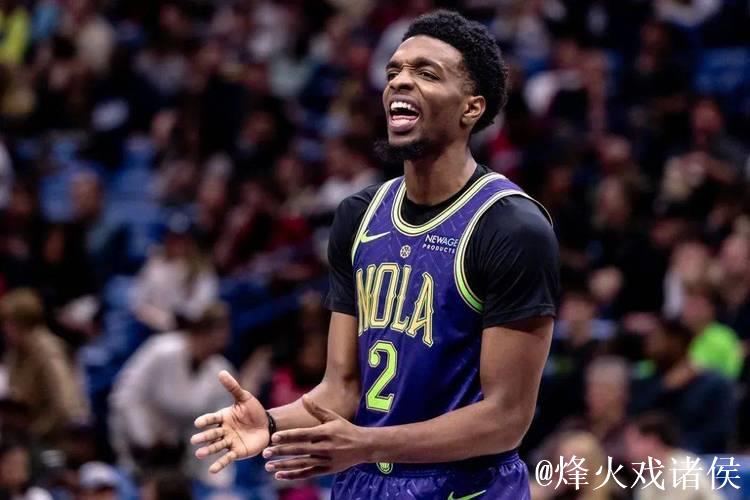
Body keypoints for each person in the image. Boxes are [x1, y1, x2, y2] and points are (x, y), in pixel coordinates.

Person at [192, 10, 559, 499]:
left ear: (472, 108)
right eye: (394, 71)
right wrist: (272, 422)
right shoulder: (359, 216)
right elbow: (342, 388)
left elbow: (506, 419)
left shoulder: (511, 227)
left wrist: (368, 444)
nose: (400, 82)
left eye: (426, 73)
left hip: (466, 487)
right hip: (365, 480)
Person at [109, 302, 233, 479]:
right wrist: (145, 439)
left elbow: (218, 430)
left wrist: (216, 479)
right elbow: (125, 397)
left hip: (180, 457)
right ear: (198, 332)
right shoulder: (160, 350)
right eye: (212, 335)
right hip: (137, 444)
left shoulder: (221, 371)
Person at [630, 319, 735, 453]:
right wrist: (664, 387)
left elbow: (719, 432)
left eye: (656, 338)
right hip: (646, 455)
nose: (648, 344)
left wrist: (674, 451)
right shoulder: (646, 381)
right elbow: (634, 419)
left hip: (698, 457)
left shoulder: (715, 384)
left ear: (676, 342)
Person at [0, 288, 88, 444]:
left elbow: (65, 403)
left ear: (21, 322)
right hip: (25, 435)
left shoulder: (48, 351)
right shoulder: (16, 351)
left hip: (50, 439)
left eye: (8, 323)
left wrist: (36, 433)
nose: (4, 329)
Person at [623, 413, 720, 500]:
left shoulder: (684, 468)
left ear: (651, 441)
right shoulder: (648, 480)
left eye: (632, 443)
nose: (628, 451)